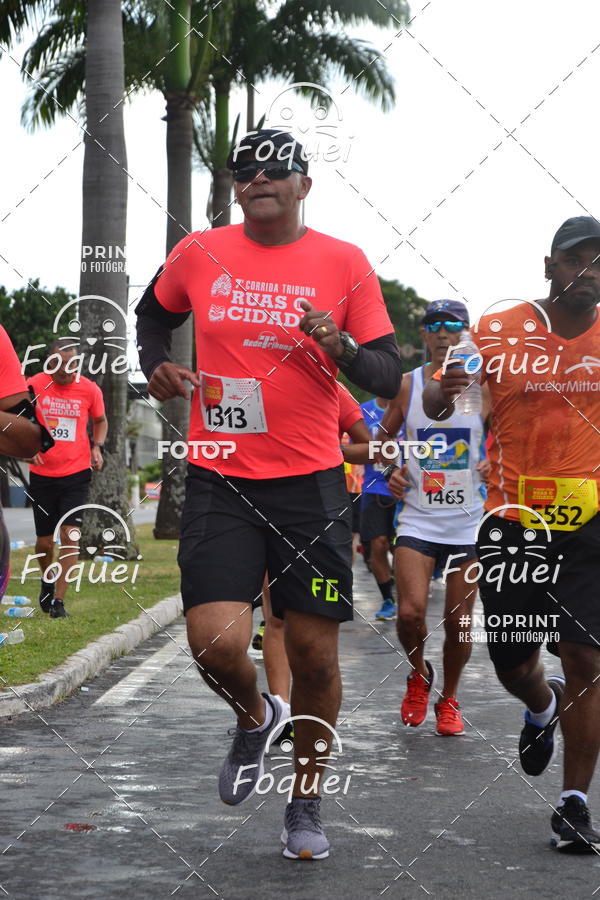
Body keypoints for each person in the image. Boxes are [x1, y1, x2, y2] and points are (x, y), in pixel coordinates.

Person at [135, 129, 401, 860]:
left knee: (315, 657)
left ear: (304, 186)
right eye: (244, 172)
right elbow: (153, 314)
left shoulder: (343, 263)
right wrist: (157, 364)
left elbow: (385, 372)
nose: (258, 179)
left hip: (309, 485)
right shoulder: (200, 252)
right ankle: (256, 717)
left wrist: (339, 346)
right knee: (214, 642)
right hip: (221, 474)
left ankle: (306, 804)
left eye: (275, 170)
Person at [423, 216, 600, 851]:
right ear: (549, 265)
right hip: (515, 520)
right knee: (513, 662)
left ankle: (574, 803)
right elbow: (452, 406)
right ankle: (540, 704)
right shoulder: (495, 332)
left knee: (586, 656)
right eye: (575, 260)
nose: (588, 273)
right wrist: (450, 390)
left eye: (599, 263)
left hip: (591, 521)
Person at [378, 300, 490, 735]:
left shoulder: (483, 387)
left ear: (465, 335)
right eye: (434, 326)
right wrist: (391, 469)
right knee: (409, 614)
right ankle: (419, 674)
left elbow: (505, 436)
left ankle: (450, 697)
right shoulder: (407, 386)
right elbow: (383, 437)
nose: (443, 334)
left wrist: (491, 462)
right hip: (419, 520)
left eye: (453, 326)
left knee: (459, 621)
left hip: (468, 522)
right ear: (424, 335)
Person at [27, 339, 107, 618]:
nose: (64, 370)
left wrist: (97, 446)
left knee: (70, 535)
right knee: (45, 542)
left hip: (77, 473)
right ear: (49, 361)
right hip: (42, 474)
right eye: (58, 363)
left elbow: (100, 420)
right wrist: (26, 450)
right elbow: (17, 419)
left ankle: (58, 602)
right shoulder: (34, 385)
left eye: (70, 364)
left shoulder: (89, 389)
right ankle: (47, 580)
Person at [359, 397, 398, 620]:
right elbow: (355, 444)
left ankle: (408, 591)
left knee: (401, 548)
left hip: (406, 489)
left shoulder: (407, 405)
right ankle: (387, 599)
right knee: (378, 544)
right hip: (374, 488)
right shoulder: (364, 410)